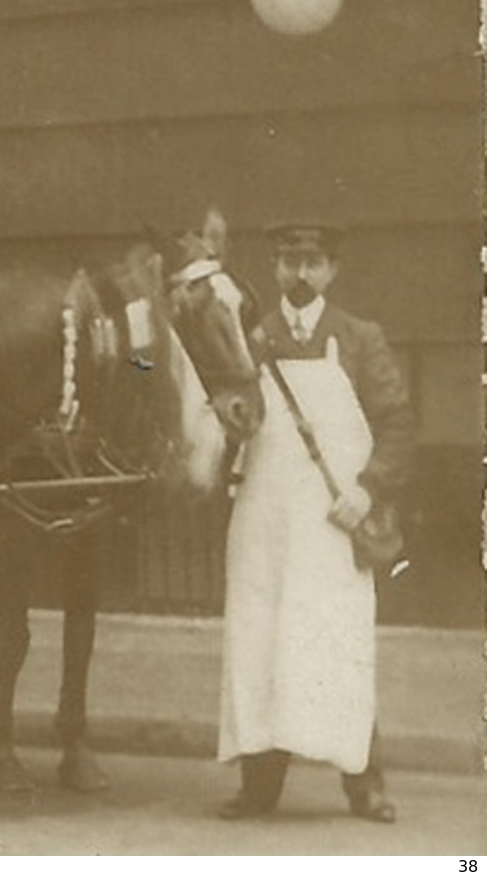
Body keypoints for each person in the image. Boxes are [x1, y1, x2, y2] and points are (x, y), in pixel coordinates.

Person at [218, 220, 416, 823]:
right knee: (260, 643)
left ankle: (364, 784)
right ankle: (259, 788)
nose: (299, 275)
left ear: (331, 270)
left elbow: (400, 426)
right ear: (275, 269)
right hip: (265, 520)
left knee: (338, 643)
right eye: (288, 262)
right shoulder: (249, 339)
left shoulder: (358, 338)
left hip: (334, 519)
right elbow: (229, 420)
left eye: (311, 263)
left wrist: (368, 488)